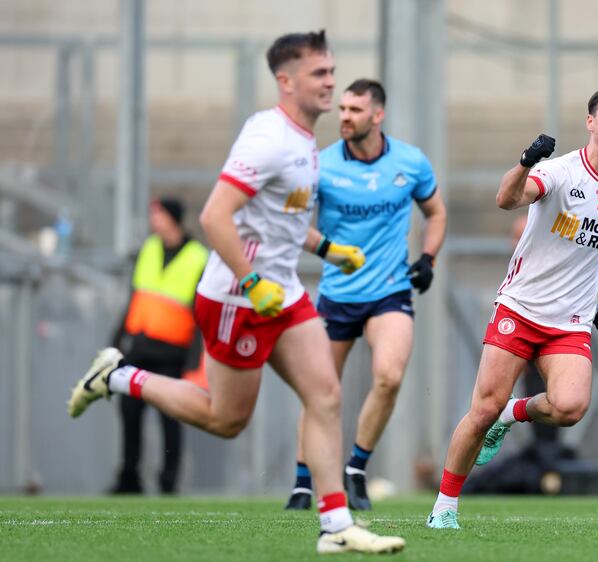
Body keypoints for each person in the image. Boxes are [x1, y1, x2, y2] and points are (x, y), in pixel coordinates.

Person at [67, 30, 405, 555]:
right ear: (285, 81)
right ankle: (118, 376)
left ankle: (336, 528)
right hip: (236, 299)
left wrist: (327, 249)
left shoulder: (303, 142)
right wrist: (250, 282)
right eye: (319, 74)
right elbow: (214, 216)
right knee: (226, 420)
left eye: (331, 72)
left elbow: (280, 222)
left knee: (326, 395)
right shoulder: (269, 139)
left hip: (283, 292)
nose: (330, 83)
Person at [427, 80, 598, 529]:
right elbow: (506, 200)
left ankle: (514, 412)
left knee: (569, 407)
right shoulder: (561, 172)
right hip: (521, 308)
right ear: (591, 122)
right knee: (482, 408)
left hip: (570, 320)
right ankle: (444, 507)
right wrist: (527, 162)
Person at [284, 78, 447, 512]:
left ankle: (356, 469)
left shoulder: (410, 163)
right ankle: (303, 484)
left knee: (390, 376)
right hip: (336, 294)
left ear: (377, 115)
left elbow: (436, 212)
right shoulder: (320, 165)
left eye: (354, 110)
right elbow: (294, 222)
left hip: (389, 292)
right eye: (341, 109)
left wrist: (428, 258)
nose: (344, 117)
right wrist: (330, 251)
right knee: (319, 390)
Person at [108, 197, 208, 495]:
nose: (154, 220)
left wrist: (194, 358)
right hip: (139, 349)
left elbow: (201, 314)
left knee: (171, 420)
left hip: (172, 352)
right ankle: (129, 479)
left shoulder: (197, 257)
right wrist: (116, 340)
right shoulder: (149, 250)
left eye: (159, 214)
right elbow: (136, 297)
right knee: (129, 413)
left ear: (173, 218)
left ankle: (168, 481)